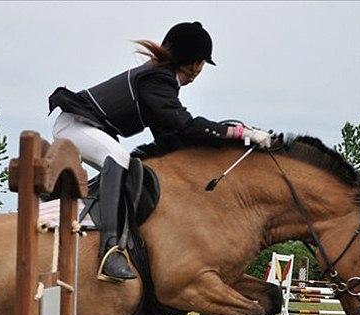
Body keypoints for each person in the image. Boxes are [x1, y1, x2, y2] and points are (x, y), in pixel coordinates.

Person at [49, 21, 277, 282]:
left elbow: (173, 137)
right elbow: (186, 126)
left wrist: (225, 141)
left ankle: (86, 214)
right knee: (121, 161)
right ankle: (110, 251)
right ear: (196, 63)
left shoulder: (159, 79)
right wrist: (241, 134)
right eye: (202, 63)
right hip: (75, 125)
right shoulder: (157, 79)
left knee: (136, 169)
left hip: (87, 126)